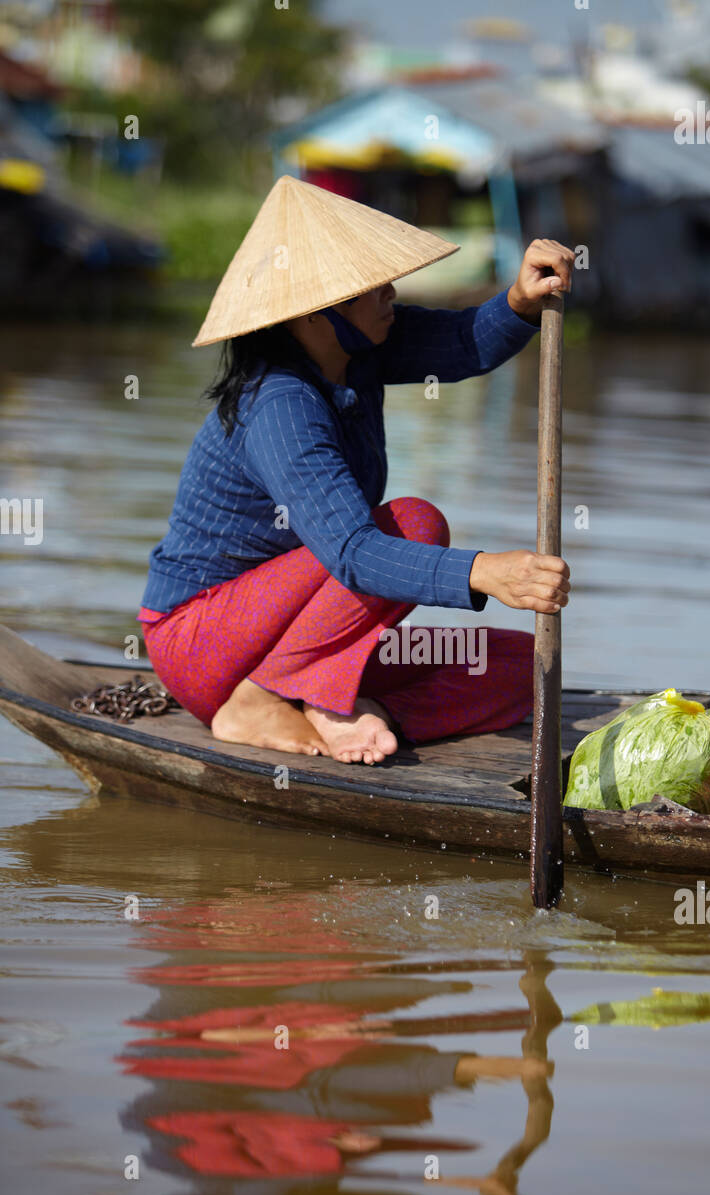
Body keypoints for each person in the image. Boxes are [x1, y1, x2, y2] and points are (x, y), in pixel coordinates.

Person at [138, 176, 572, 764]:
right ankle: (262, 698)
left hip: (303, 634)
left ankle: (355, 709)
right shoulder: (281, 404)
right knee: (415, 523)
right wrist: (483, 572)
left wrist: (520, 300)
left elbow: (463, 344)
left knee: (525, 665)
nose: (390, 291)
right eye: (371, 287)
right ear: (314, 313)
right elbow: (355, 553)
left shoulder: (360, 350)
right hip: (205, 641)